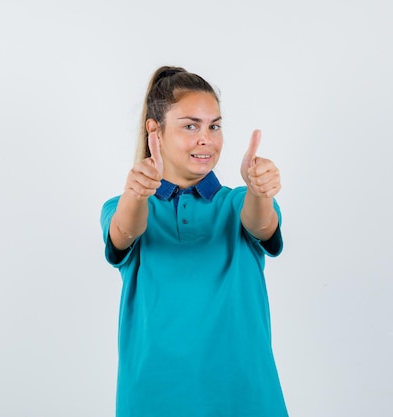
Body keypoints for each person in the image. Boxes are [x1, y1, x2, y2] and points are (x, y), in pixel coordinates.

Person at [100, 65, 289, 416]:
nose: (207, 139)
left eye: (214, 126)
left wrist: (260, 191)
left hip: (244, 398)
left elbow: (261, 224)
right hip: (155, 399)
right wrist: (137, 194)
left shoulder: (237, 203)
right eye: (191, 126)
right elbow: (124, 232)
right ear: (154, 131)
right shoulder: (124, 206)